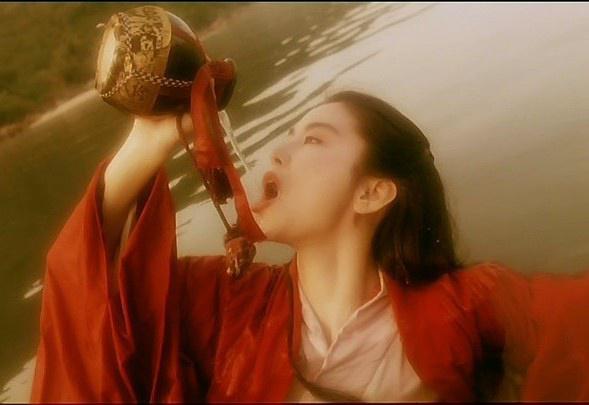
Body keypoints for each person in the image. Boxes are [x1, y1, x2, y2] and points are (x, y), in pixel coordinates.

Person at [31, 91, 589, 402]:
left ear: (372, 192)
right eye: (289, 135)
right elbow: (87, 309)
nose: (277, 151)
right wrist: (147, 143)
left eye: (314, 139)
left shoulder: (468, 304)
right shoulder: (223, 304)